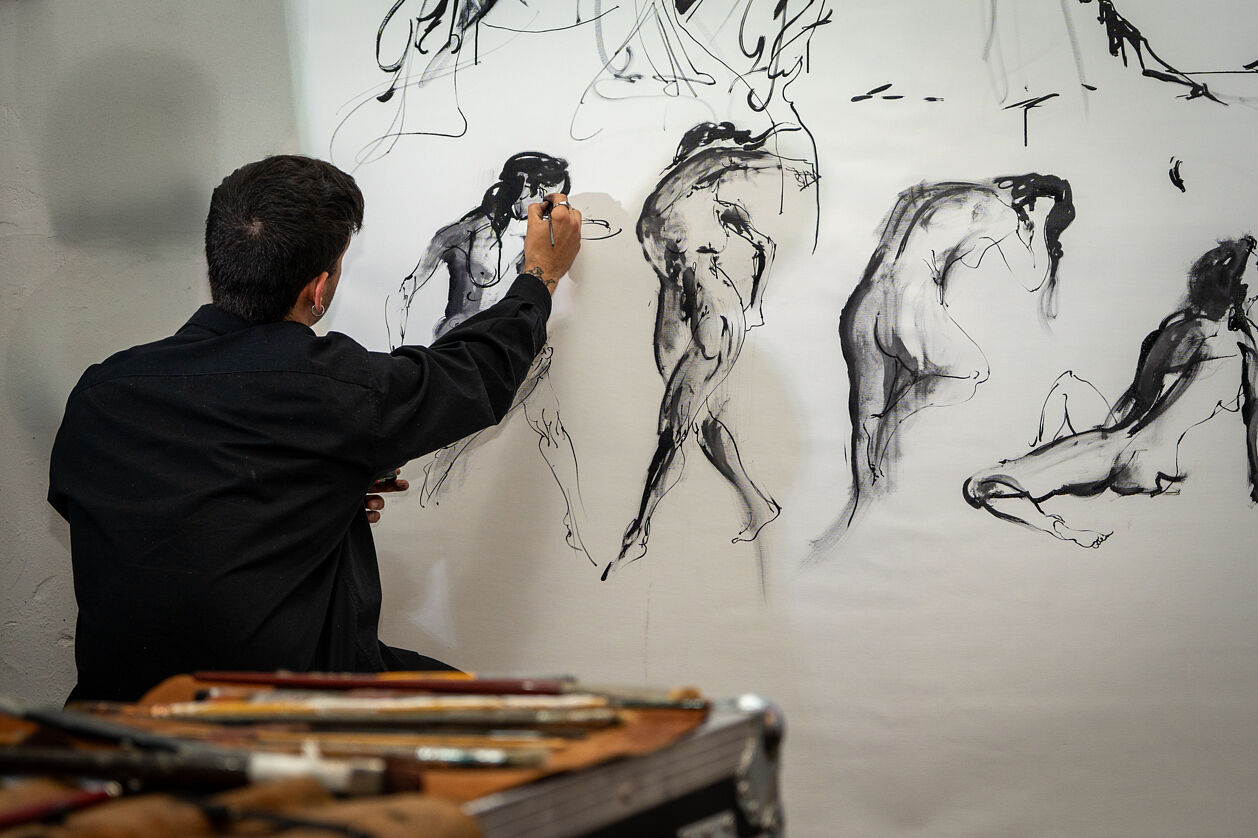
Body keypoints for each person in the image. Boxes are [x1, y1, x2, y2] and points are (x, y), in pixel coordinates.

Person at [47, 154, 582, 702]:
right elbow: (475, 373)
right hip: (272, 715)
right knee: (493, 709)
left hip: (113, 712)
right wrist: (540, 277)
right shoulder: (332, 391)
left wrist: (303, 490)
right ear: (318, 289)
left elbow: (169, 514)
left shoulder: (99, 393)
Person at [814, 174, 1075, 550]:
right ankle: (892, 429)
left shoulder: (938, 193)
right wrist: (1045, 235)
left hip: (865, 305)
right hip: (909, 308)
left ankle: (861, 503)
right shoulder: (1004, 214)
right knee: (971, 371)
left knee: (864, 419)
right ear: (1033, 204)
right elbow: (1033, 277)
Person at [607, 122, 816, 579]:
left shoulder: (707, 203)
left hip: (712, 316)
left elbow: (765, 244)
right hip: (675, 314)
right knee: (702, 425)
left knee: (672, 427)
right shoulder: (672, 199)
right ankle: (759, 505)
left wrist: (753, 306)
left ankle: (638, 532)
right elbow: (723, 163)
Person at [964, 236, 1258, 547]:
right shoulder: (1245, 347)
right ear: (1238, 293)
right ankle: (1048, 488)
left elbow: (1140, 403)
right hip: (1165, 466)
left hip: (1124, 452)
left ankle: (1057, 526)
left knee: (981, 485)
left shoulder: (1186, 332)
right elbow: (1252, 418)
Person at [387, 152, 593, 564]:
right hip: (463, 366)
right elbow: (405, 291)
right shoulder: (463, 233)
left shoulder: (538, 240)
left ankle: (582, 525)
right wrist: (396, 364)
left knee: (554, 430)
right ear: (523, 186)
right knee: (450, 452)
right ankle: (433, 511)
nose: (549, 207)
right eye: (545, 195)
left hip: (518, 358)